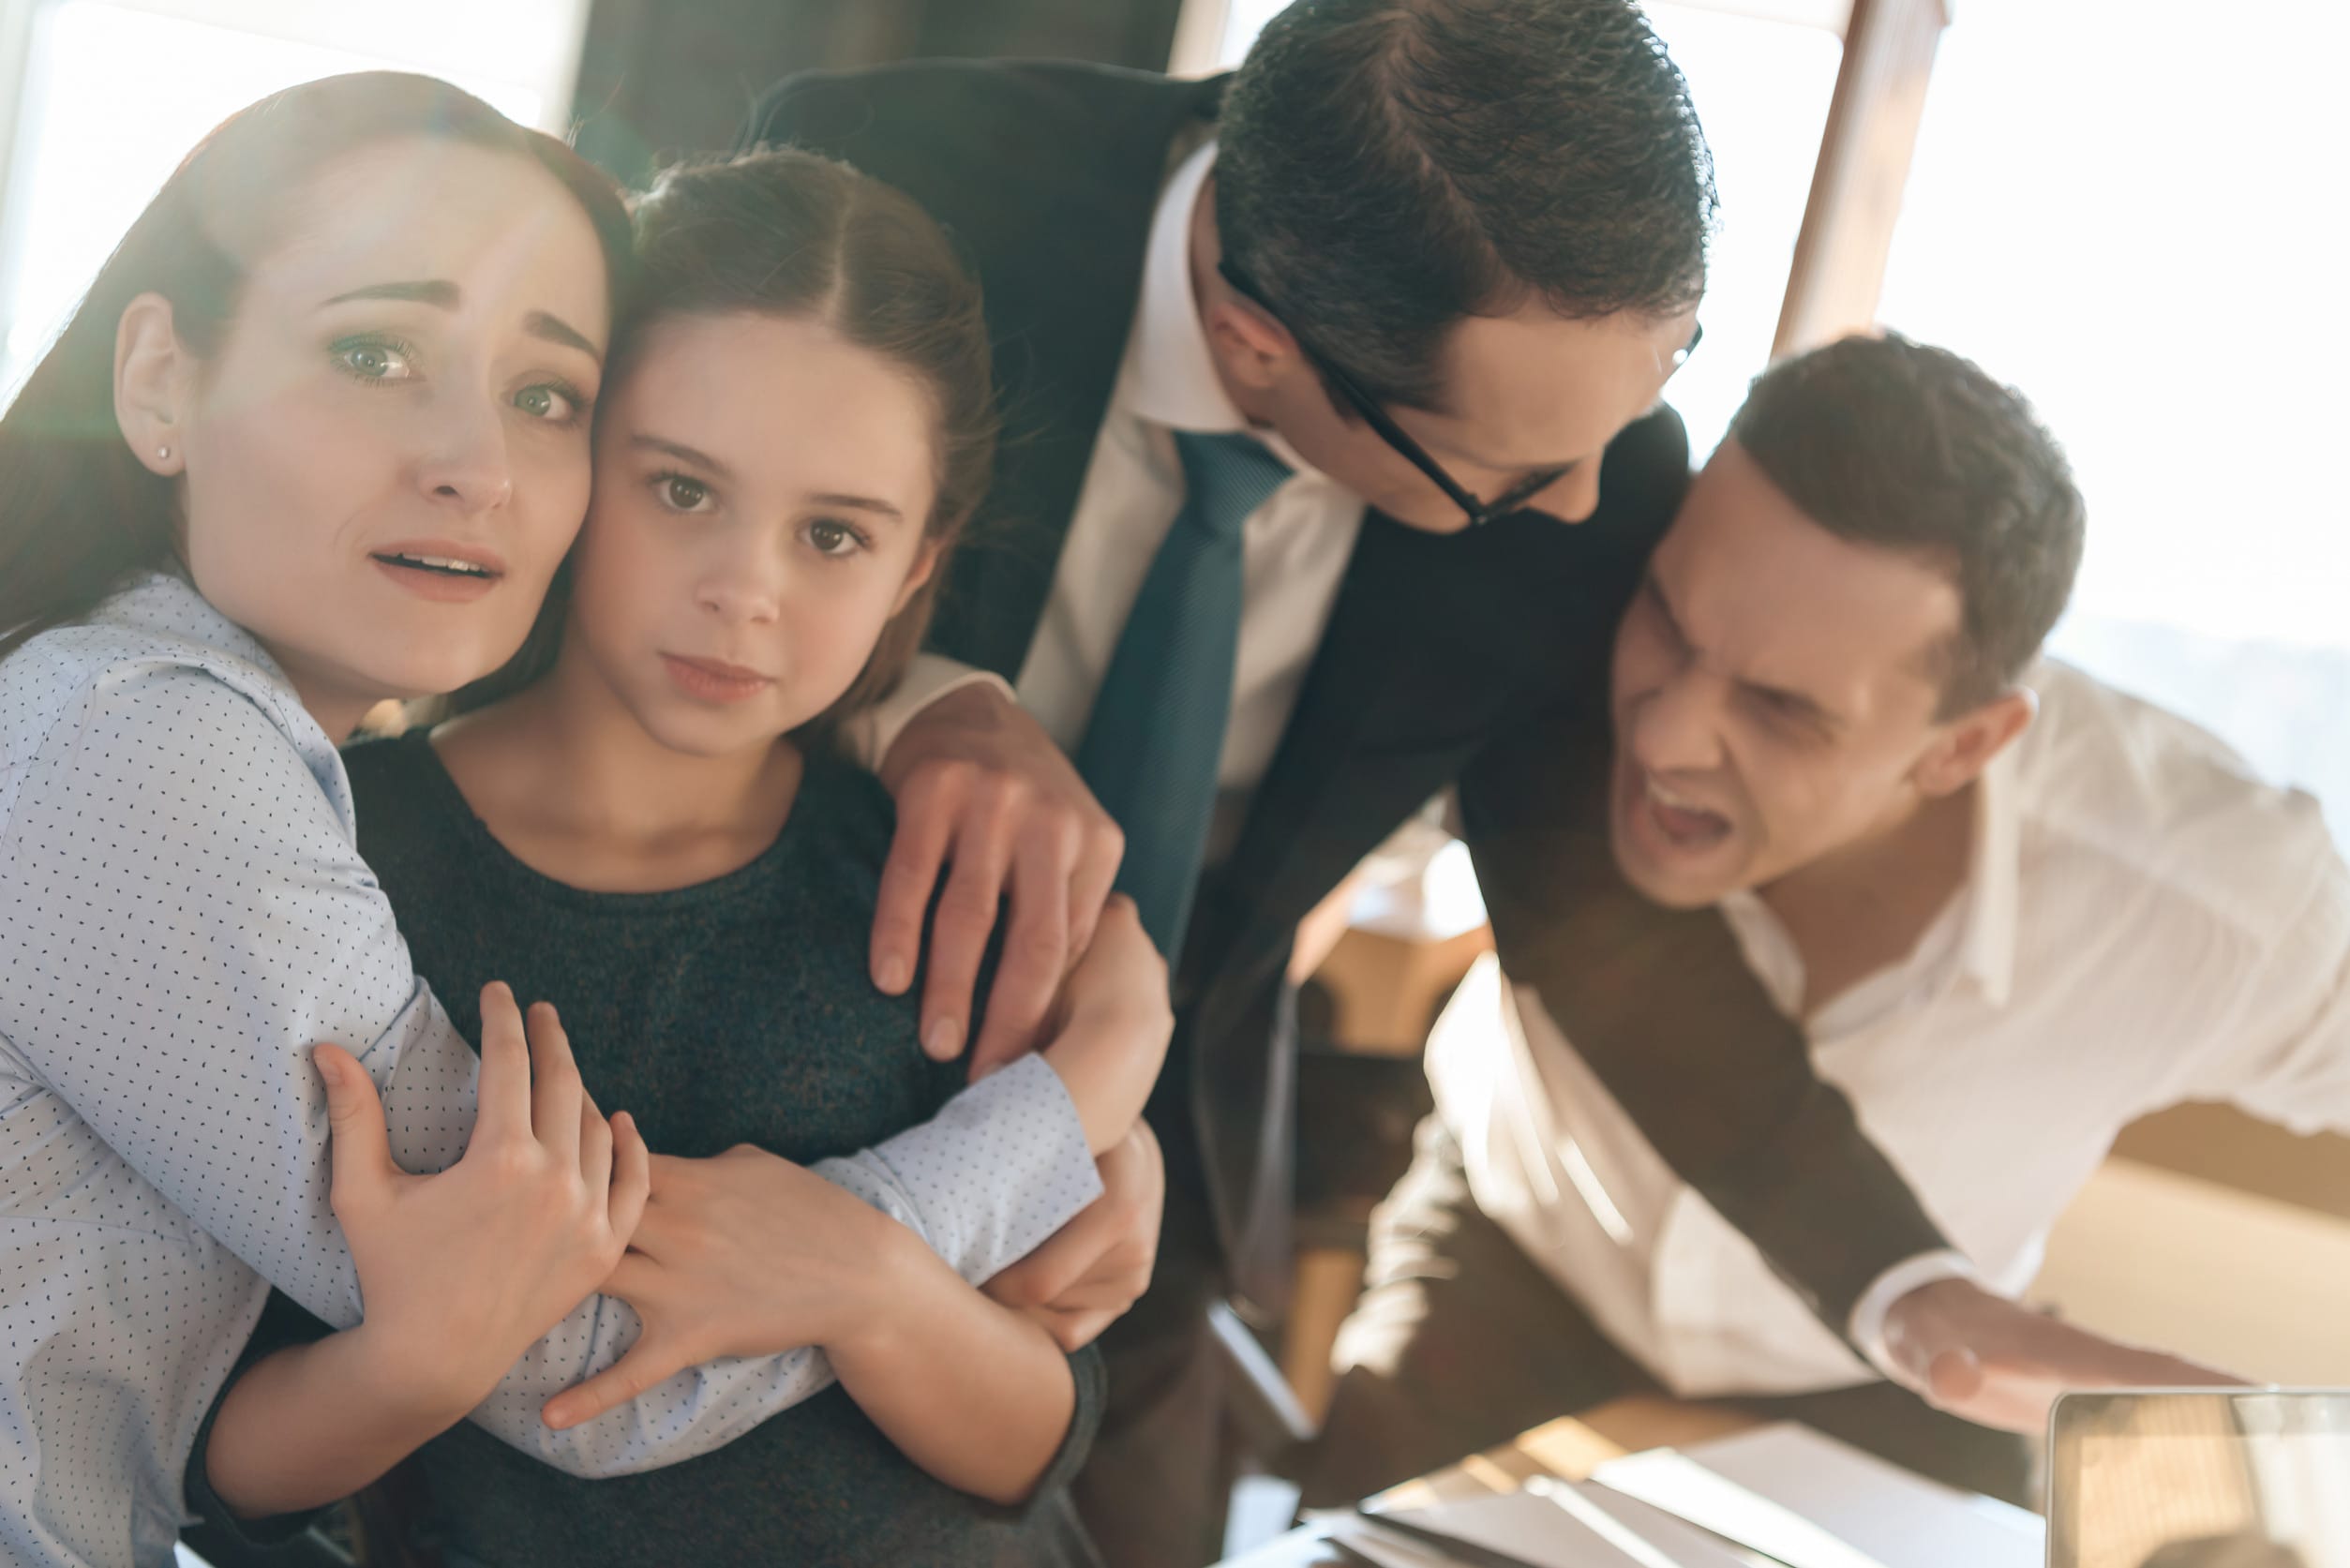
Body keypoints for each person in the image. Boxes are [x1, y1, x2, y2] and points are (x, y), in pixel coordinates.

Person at [739, 5, 1967, 1559]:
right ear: (1257, 345)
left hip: (1139, 1212)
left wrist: (1911, 1284)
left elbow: (1596, 921)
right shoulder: (906, 188)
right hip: (734, 1110)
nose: (1586, 502)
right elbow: (607, 609)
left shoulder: (1588, 467)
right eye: (1511, 479)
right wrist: (904, 693)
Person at [0, 75, 1160, 1568]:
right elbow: (564, 1361)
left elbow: (1044, 1416)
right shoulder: (186, 770)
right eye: (371, 351)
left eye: (537, 396)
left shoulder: (938, 877)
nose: (475, 468)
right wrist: (1092, 1082)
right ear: (157, 378)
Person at [1304, 334, 2344, 1509]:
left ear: (1963, 745)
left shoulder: (2214, 898)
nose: (1662, 738)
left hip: (1900, 1388)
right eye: (1668, 623)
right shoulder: (1562, 625)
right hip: (1511, 1263)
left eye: (1780, 708)